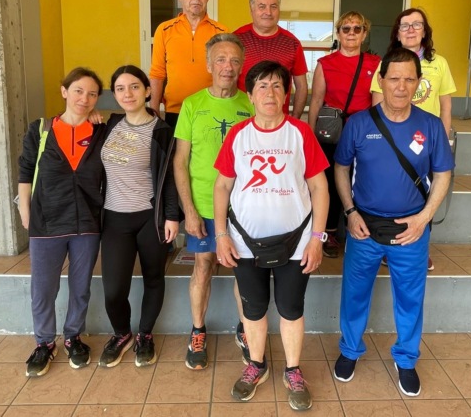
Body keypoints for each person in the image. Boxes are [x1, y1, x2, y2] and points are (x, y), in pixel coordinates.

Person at [333, 48, 453, 397]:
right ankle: (350, 350)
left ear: (418, 83)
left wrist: (423, 219)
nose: (401, 87)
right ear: (381, 80)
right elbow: (341, 168)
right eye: (394, 78)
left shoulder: (430, 125)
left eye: (409, 79)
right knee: (354, 294)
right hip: (364, 228)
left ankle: (406, 359)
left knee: (410, 299)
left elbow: (443, 174)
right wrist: (350, 212)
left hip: (411, 230)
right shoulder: (358, 123)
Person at [213, 61, 329, 411]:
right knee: (254, 308)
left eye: (278, 86)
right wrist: (221, 234)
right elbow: (222, 187)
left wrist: (317, 238)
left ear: (286, 94)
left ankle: (293, 370)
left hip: (297, 242)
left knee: (291, 309)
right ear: (249, 95)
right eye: (262, 86)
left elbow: (319, 188)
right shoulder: (238, 135)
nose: (270, 92)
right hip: (244, 242)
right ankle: (256, 365)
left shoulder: (300, 133)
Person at [17, 67, 106, 377]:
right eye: (78, 91)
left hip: (87, 223)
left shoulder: (101, 131)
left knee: (80, 287)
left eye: (92, 94)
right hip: (46, 222)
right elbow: (26, 171)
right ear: (64, 91)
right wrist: (25, 211)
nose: (85, 98)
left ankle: (73, 337)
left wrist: (98, 115)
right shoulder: (41, 130)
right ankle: (44, 342)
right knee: (43, 288)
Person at [173, 33, 254, 370]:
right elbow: (180, 162)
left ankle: (247, 330)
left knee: (244, 272)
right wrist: (189, 211)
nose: (227, 67)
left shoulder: (251, 103)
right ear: (209, 65)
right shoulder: (192, 105)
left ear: (242, 66)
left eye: (234, 60)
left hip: (243, 209)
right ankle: (197, 331)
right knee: (203, 265)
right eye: (221, 59)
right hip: (204, 206)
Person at [97, 65, 180, 368]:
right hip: (114, 218)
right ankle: (122, 334)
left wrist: (172, 216)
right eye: (120, 88)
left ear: (147, 91)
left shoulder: (162, 131)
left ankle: (145, 334)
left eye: (134, 86)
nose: (127, 93)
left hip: (149, 217)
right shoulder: (108, 124)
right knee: (113, 290)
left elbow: (169, 177)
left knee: (153, 278)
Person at [372, 8, 456, 271]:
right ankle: (390, 245)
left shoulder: (439, 63)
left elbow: (445, 106)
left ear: (425, 31)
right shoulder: (386, 62)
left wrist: (442, 141)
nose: (410, 30)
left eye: (416, 24)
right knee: (396, 191)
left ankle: (420, 245)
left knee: (425, 194)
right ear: (397, 33)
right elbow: (376, 103)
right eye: (404, 25)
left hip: (426, 141)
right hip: (394, 141)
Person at [308, 11, 381, 258]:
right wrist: (311, 136)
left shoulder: (375, 63)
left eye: (357, 28)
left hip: (362, 130)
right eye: (346, 29)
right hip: (331, 132)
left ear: (364, 34)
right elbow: (316, 101)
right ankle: (329, 232)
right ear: (338, 33)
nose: (351, 33)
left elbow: (378, 103)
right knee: (329, 181)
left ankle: (359, 229)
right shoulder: (325, 64)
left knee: (362, 181)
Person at [149, 0, 227, 128]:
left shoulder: (221, 32)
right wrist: (154, 110)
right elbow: (157, 74)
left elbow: (227, 74)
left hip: (211, 109)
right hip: (175, 111)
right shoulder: (164, 30)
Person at [234, 0, 308, 119]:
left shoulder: (292, 43)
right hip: (241, 120)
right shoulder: (236, 40)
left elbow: (302, 86)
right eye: (262, 6)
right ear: (252, 9)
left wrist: (294, 119)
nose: (268, 12)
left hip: (278, 123)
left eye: (273, 6)